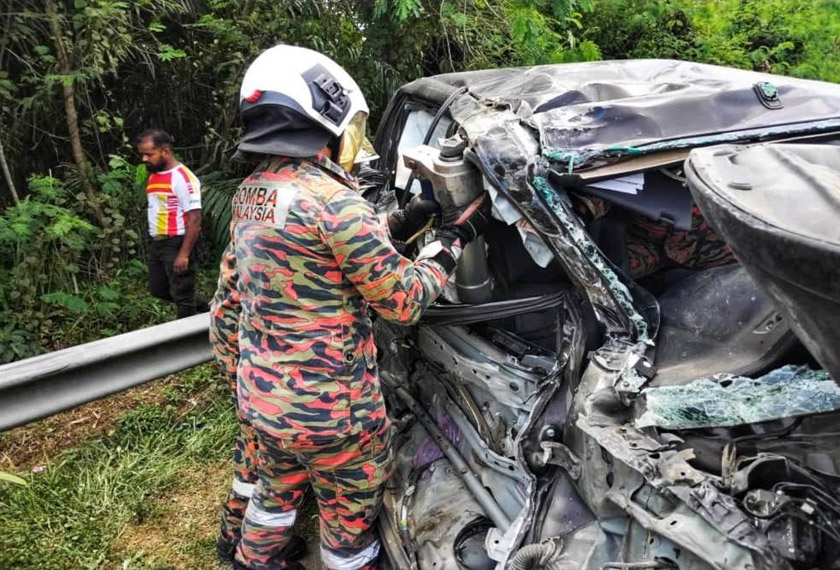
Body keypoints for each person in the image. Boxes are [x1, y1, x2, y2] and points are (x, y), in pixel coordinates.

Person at [209, 44, 489, 570]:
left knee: (273, 498)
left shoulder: (255, 192)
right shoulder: (336, 201)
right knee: (348, 521)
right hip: (333, 415)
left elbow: (314, 254)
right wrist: (453, 240)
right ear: (325, 118)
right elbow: (403, 301)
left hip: (265, 401)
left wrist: (408, 219)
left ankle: (251, 561)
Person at [137, 129, 203, 319]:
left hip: (177, 241)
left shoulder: (183, 178)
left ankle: (186, 340)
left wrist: (184, 254)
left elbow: (195, 218)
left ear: (165, 151)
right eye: (142, 154)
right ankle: (205, 307)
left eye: (149, 154)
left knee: (182, 294)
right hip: (158, 242)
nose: (144, 159)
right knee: (158, 289)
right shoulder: (154, 175)